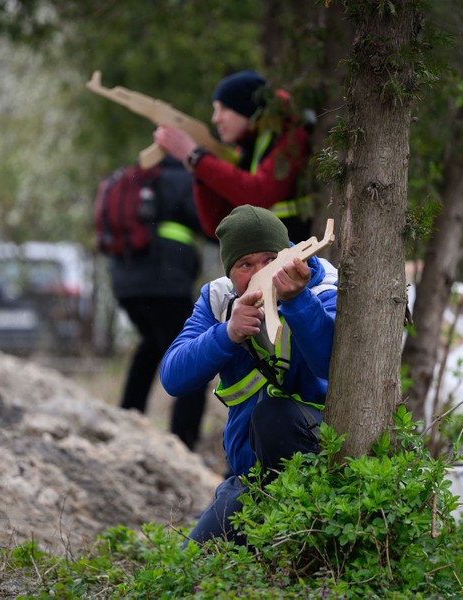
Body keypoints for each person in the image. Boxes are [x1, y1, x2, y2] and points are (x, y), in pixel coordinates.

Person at [159, 205, 338, 544]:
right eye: (246, 265)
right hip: (250, 480)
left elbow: (329, 363)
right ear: (231, 273)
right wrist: (226, 333)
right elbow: (174, 377)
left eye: (271, 259)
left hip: (318, 470)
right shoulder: (219, 298)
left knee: (273, 415)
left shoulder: (323, 287)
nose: (262, 272)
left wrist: (298, 302)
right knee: (191, 566)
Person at [108, 155, 208, 450]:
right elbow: (209, 223)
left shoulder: (140, 179)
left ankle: (126, 421)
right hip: (165, 284)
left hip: (125, 284)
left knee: (151, 344)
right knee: (193, 360)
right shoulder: (183, 180)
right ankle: (182, 444)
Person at [152, 70, 314, 243]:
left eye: (224, 109)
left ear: (247, 108)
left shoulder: (293, 137)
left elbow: (259, 194)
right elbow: (217, 224)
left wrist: (197, 159)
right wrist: (200, 170)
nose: (216, 119)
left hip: (296, 252)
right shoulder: (247, 147)